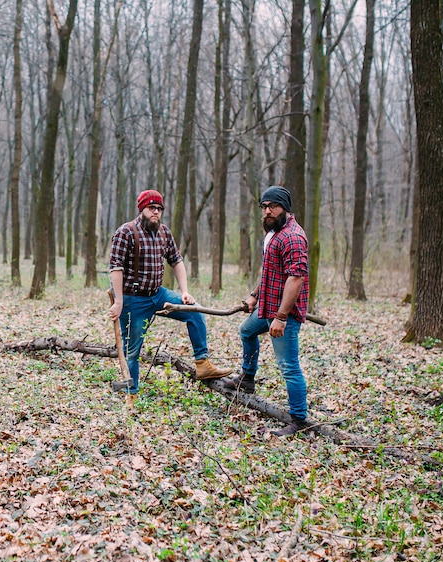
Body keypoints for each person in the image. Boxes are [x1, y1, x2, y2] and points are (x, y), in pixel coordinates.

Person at [109, 189, 232, 401]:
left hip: (158, 295)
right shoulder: (126, 232)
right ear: (142, 209)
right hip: (133, 299)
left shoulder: (164, 232)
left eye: (159, 209)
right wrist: (119, 301)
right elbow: (115, 268)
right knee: (132, 351)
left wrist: (185, 292)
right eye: (151, 208)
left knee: (194, 313)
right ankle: (132, 394)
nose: (156, 212)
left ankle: (202, 363)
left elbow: (176, 260)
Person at [223, 185, 310, 436]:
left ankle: (299, 420)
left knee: (288, 366)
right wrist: (254, 295)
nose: (268, 211)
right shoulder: (273, 233)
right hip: (267, 304)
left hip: (284, 312)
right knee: (247, 331)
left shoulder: (293, 237)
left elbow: (295, 278)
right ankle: (247, 379)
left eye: (273, 206)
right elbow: (270, 271)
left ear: (285, 208)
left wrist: (281, 317)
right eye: (264, 207)